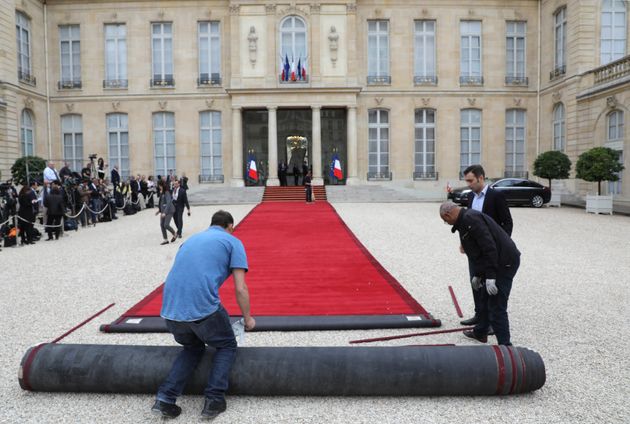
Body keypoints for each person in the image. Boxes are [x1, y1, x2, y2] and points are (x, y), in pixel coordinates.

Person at [152, 210, 255, 419]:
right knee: (226, 345)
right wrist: (248, 318)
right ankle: (214, 400)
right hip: (201, 309)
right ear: (230, 226)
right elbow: (240, 288)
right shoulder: (232, 242)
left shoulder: (191, 240)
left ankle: (165, 398)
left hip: (170, 310)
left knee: (192, 348)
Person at [440, 201, 520, 346]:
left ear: (448, 214)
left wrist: (490, 277)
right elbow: (476, 252)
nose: (447, 224)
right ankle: (481, 332)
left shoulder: (470, 219)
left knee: (496, 304)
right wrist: (478, 274)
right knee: (483, 297)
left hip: (505, 262)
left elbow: (489, 248)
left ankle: (505, 346)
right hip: (494, 261)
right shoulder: (463, 220)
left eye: (446, 221)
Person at [460, 164, 514, 327]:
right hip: (475, 250)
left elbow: (507, 222)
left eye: (471, 181)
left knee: (491, 284)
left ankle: (491, 321)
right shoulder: (470, 197)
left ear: (481, 178)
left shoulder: (496, 196)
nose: (468, 184)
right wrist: (463, 242)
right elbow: (465, 222)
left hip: (491, 249)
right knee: (475, 281)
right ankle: (479, 315)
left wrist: (500, 245)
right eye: (467, 181)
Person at [156, 181, 177, 245]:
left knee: (166, 225)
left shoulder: (166, 192)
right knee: (162, 225)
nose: (158, 187)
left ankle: (174, 233)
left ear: (161, 186)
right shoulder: (161, 193)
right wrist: (159, 210)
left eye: (159, 185)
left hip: (169, 210)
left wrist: (165, 212)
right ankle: (165, 240)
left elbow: (168, 203)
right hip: (163, 211)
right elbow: (162, 203)